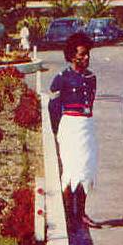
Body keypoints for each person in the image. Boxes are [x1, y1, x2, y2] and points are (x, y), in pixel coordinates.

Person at [48, 32, 101, 229]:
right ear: (72, 56)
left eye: (87, 54)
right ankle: (70, 216)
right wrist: (57, 130)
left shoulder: (91, 77)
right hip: (70, 126)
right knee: (71, 171)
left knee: (86, 169)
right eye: (81, 55)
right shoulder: (62, 78)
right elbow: (54, 107)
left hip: (87, 126)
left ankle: (82, 213)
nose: (86, 58)